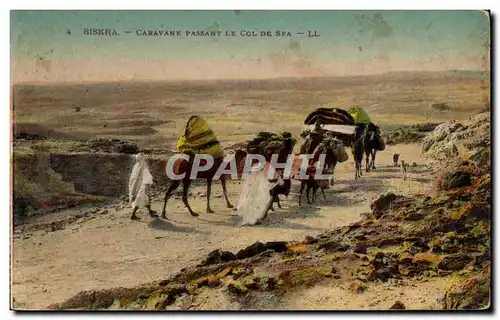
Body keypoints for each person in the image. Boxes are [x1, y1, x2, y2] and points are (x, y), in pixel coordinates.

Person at [129, 153, 158, 220]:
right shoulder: (143, 165)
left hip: (138, 185)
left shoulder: (136, 165)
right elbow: (147, 174)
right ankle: (133, 215)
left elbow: (133, 177)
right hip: (143, 185)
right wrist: (154, 180)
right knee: (140, 199)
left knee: (146, 198)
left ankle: (150, 211)